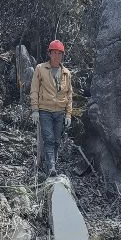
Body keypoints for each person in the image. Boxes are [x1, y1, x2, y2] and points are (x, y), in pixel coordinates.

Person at [30, 39, 73, 177]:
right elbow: (34, 90)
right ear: (49, 54)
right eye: (54, 53)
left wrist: (68, 114)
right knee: (48, 139)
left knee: (56, 141)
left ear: (62, 55)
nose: (57, 56)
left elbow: (69, 94)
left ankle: (50, 164)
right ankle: (52, 168)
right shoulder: (40, 69)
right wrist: (35, 110)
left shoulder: (66, 73)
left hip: (60, 112)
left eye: (59, 53)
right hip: (45, 110)